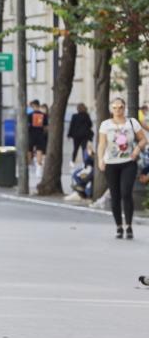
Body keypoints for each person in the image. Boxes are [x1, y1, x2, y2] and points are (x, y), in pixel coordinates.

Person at [96, 97, 146, 239]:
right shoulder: (105, 125)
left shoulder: (132, 123)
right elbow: (101, 144)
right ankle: (119, 226)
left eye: (120, 107)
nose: (118, 110)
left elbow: (143, 139)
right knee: (115, 196)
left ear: (125, 108)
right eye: (115, 108)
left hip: (128, 163)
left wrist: (136, 149)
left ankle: (129, 226)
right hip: (111, 164)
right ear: (111, 109)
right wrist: (100, 159)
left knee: (126, 192)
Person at [67, 102, 93, 167]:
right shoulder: (86, 116)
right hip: (85, 135)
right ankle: (85, 162)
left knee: (75, 149)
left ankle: (73, 161)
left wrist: (69, 134)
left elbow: (71, 126)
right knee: (84, 149)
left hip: (76, 136)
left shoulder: (74, 116)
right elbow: (90, 125)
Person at [28, 99, 48, 178]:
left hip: (31, 134)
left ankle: (29, 166)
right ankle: (39, 168)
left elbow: (27, 125)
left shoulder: (30, 115)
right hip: (40, 135)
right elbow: (46, 127)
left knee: (29, 150)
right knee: (39, 150)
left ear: (33, 106)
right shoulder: (43, 115)